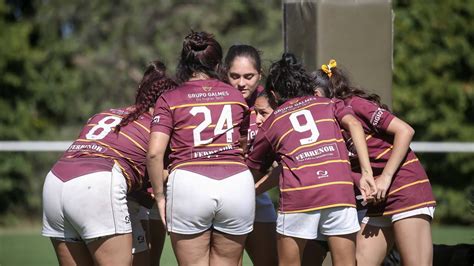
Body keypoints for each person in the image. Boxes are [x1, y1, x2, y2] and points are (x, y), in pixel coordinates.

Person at [246, 53, 377, 266]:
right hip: (338, 190)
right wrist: (367, 173)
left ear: (273, 94)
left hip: (299, 196)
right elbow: (354, 125)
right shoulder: (328, 103)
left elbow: (252, 171)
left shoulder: (273, 121)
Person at [42, 60, 175, 265]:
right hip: (98, 184)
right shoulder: (159, 128)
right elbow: (157, 174)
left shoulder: (106, 113)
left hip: (55, 181)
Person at [313, 59, 436, 266]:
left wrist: (385, 178)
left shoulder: (355, 105)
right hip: (379, 200)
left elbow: (405, 131)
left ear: (318, 95)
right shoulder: (326, 123)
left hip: (406, 190)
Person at [147, 31, 255, 266]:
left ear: (184, 64)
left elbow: (154, 153)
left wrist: (160, 196)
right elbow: (244, 144)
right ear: (218, 64)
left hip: (189, 183)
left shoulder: (170, 98)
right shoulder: (237, 96)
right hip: (237, 182)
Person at [223, 44, 278, 266]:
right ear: (224, 72)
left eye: (249, 76)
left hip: (257, 194)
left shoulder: (270, 104)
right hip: (220, 196)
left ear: (260, 75)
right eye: (234, 76)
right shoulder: (217, 102)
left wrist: (254, 189)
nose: (241, 83)